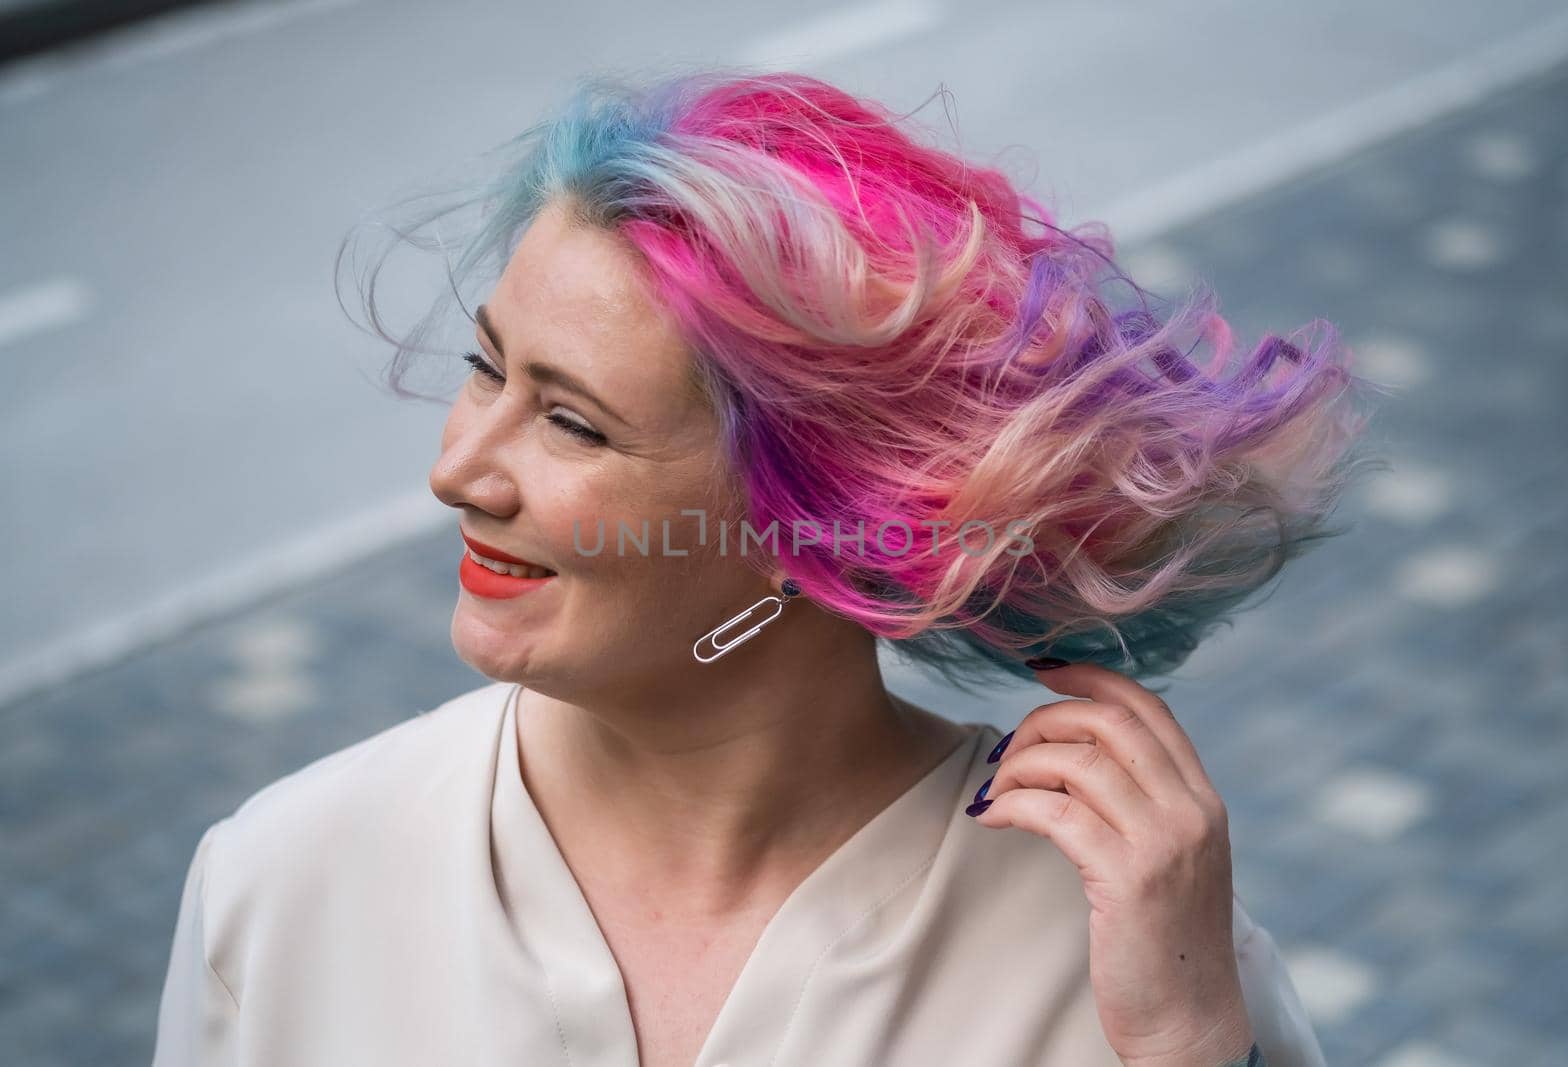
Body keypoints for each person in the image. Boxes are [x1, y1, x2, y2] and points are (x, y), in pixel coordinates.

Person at [154, 68, 1383, 1066]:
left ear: (821, 522)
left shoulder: (1126, 955)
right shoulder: (282, 885)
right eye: (489, 369)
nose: (460, 469)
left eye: (571, 421)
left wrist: (1188, 1048)